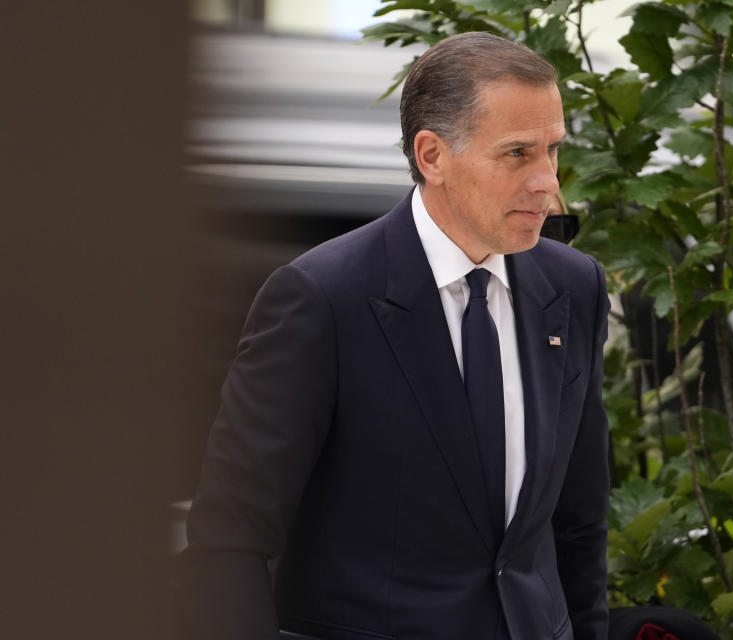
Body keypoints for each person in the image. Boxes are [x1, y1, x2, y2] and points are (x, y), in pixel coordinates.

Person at [185, 32, 610, 640]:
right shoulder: (322, 298)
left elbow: (579, 519)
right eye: (517, 154)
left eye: (553, 150)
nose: (548, 181)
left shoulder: (574, 285)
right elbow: (231, 537)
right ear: (432, 155)